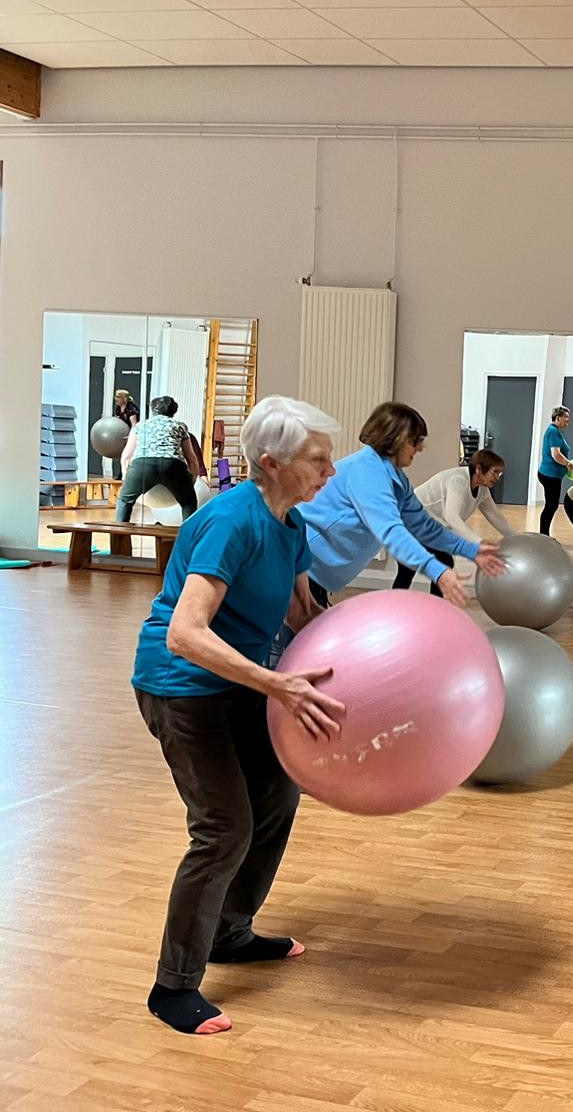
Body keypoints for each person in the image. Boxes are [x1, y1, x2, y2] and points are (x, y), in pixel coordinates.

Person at [131, 395, 346, 1036]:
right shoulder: (232, 521)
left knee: (279, 793)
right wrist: (278, 683)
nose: (329, 472)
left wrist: (371, 663)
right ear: (271, 462)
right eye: (318, 460)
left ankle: (230, 931)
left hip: (244, 681)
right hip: (182, 687)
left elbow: (302, 614)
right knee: (224, 829)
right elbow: (186, 634)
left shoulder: (290, 523)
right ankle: (173, 988)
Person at [299, 402, 504, 609]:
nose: (421, 448)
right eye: (415, 441)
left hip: (315, 571)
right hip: (301, 563)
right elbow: (391, 532)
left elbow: (424, 525)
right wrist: (438, 571)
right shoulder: (369, 471)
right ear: (396, 439)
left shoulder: (396, 478)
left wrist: (471, 550)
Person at [400, 448, 513, 597]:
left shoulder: (482, 490)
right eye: (495, 472)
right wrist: (478, 542)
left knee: (435, 565)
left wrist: (515, 537)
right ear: (479, 469)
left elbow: (495, 516)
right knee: (429, 565)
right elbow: (452, 516)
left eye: (500, 473)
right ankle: (397, 609)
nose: (498, 477)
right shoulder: (459, 481)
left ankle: (434, 608)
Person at [117, 395, 205, 523]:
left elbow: (126, 456)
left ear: (153, 410)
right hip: (173, 466)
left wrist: (127, 477)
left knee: (125, 500)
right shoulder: (180, 426)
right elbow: (191, 457)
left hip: (143, 464)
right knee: (188, 502)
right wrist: (191, 480)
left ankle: (119, 536)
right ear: (173, 411)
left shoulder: (140, 426)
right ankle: (188, 538)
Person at [537, 406, 573, 536]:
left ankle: (544, 534)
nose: (568, 420)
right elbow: (556, 455)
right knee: (551, 506)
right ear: (557, 418)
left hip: (552, 474)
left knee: (551, 505)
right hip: (550, 475)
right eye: (566, 417)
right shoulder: (553, 431)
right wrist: (569, 464)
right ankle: (544, 535)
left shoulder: (555, 431)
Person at [111, 388, 139, 480]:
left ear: (124, 398)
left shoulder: (131, 408)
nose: (116, 399)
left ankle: (126, 476)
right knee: (123, 454)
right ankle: (122, 474)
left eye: (118, 397)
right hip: (123, 434)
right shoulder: (119, 408)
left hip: (131, 434)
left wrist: (131, 436)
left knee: (128, 455)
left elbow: (134, 424)